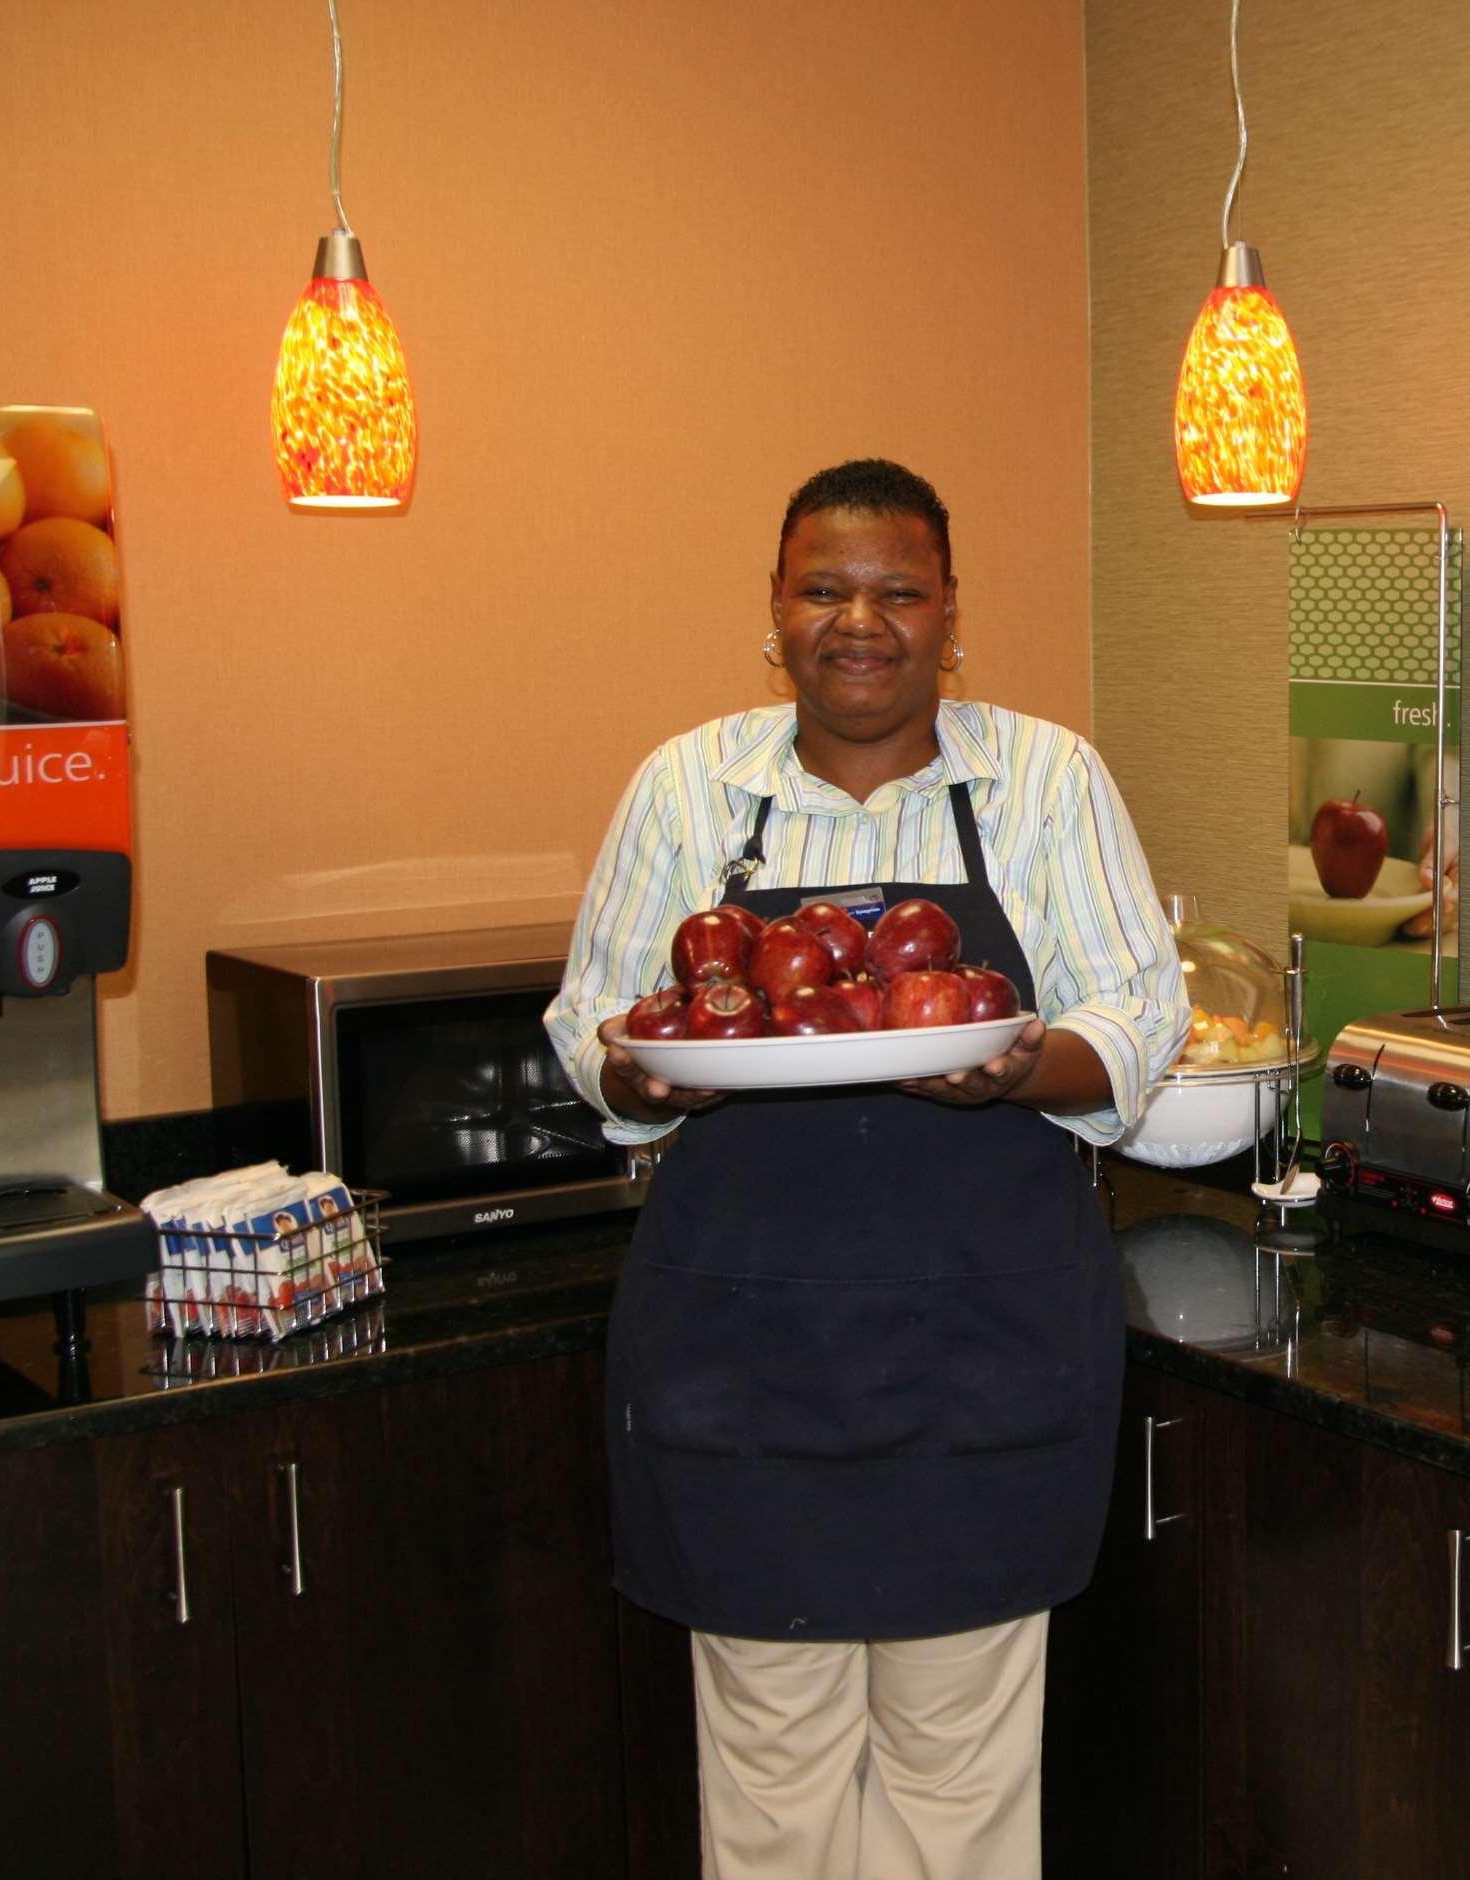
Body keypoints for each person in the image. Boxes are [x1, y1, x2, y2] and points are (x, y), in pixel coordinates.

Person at [544, 459, 1187, 1880]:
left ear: (951, 614)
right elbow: (592, 1018)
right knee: (772, 1790)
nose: (860, 622)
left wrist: (1021, 1065)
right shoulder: (688, 786)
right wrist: (638, 1072)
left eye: (899, 592)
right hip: (741, 1366)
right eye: (824, 590)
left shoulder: (1045, 779)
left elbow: (1141, 1018)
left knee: (960, 1794)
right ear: (773, 610)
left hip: (984, 1361)